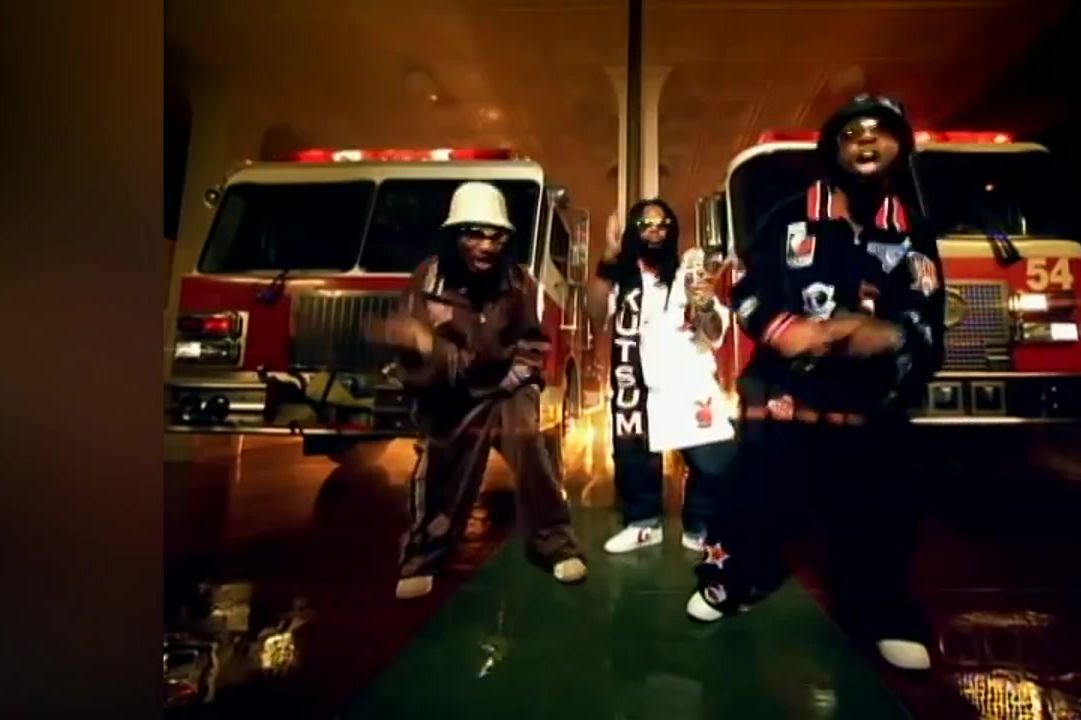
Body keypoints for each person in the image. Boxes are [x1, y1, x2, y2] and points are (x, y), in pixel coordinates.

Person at [684, 94, 947, 672]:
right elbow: (747, 290)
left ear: (901, 147)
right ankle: (731, 582)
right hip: (783, 401)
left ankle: (883, 612)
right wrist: (785, 330)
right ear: (833, 149)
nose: (866, 140)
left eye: (880, 131)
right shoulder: (788, 216)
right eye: (852, 132)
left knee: (880, 510)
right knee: (752, 498)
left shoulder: (913, 231)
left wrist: (889, 335)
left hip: (868, 405)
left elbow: (928, 316)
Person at [370, 181, 587, 599]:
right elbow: (416, 360)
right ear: (454, 235)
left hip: (506, 387)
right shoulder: (426, 281)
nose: (486, 246)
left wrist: (515, 377)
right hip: (451, 390)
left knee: (529, 446)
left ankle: (557, 545)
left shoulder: (518, 282)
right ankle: (424, 558)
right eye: (474, 234)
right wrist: (426, 350)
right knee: (441, 463)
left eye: (496, 235)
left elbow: (533, 344)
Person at [585, 199, 736, 555]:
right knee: (633, 458)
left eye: (663, 224)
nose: (655, 231)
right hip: (636, 383)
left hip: (689, 381)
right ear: (633, 232)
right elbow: (595, 312)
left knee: (715, 460)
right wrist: (607, 259)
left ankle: (699, 527)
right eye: (645, 225)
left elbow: (715, 332)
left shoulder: (689, 272)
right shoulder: (623, 276)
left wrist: (703, 302)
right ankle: (643, 525)